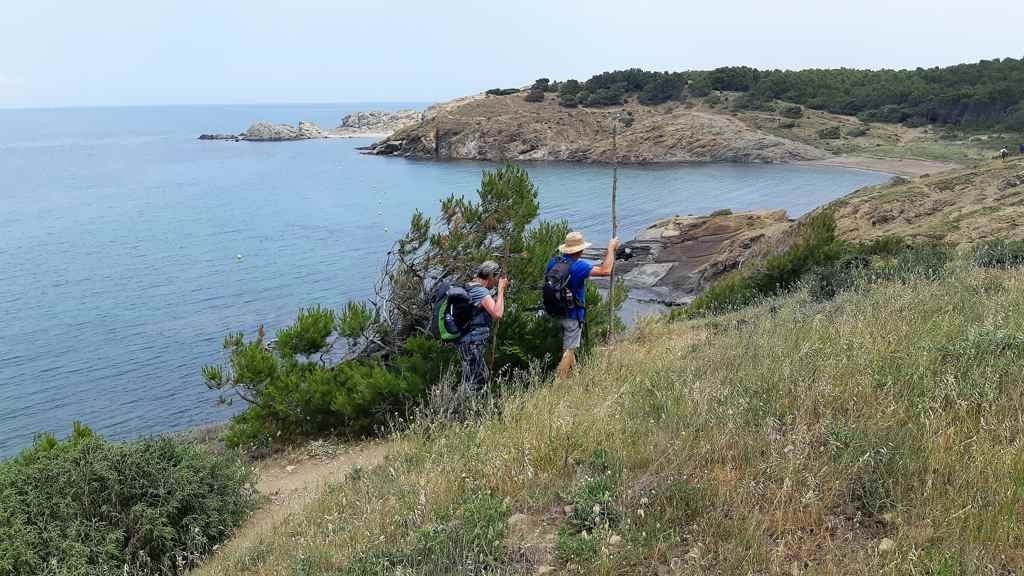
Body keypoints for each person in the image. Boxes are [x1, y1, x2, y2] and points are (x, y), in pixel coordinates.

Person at [547, 231, 619, 378]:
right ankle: (557, 384)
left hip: (554, 311)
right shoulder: (578, 266)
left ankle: (577, 376)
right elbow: (606, 270)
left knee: (569, 346)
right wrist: (611, 249)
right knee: (569, 350)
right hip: (572, 315)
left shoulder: (554, 262)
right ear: (580, 250)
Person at [457, 260, 508, 392]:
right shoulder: (481, 292)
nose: (496, 282)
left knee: (471, 377)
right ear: (491, 276)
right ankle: (466, 409)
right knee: (476, 380)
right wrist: (501, 290)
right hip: (474, 342)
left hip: (465, 341)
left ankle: (464, 408)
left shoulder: (468, 286)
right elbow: (497, 313)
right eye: (496, 278)